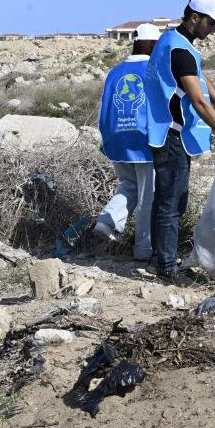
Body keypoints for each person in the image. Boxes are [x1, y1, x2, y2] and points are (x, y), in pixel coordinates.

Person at [145, 0, 215, 284]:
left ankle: (158, 258)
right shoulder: (179, 51)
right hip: (171, 134)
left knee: (166, 198)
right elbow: (198, 102)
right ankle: (166, 267)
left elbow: (200, 77)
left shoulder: (175, 41)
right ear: (195, 18)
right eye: (212, 23)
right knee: (172, 201)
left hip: (165, 132)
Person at [94, 23, 161, 260]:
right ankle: (145, 249)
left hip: (117, 138)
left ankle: (108, 221)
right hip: (145, 140)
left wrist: (105, 137)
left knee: (129, 185)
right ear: (152, 44)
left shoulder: (114, 72)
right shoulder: (154, 69)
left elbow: (103, 106)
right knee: (148, 196)